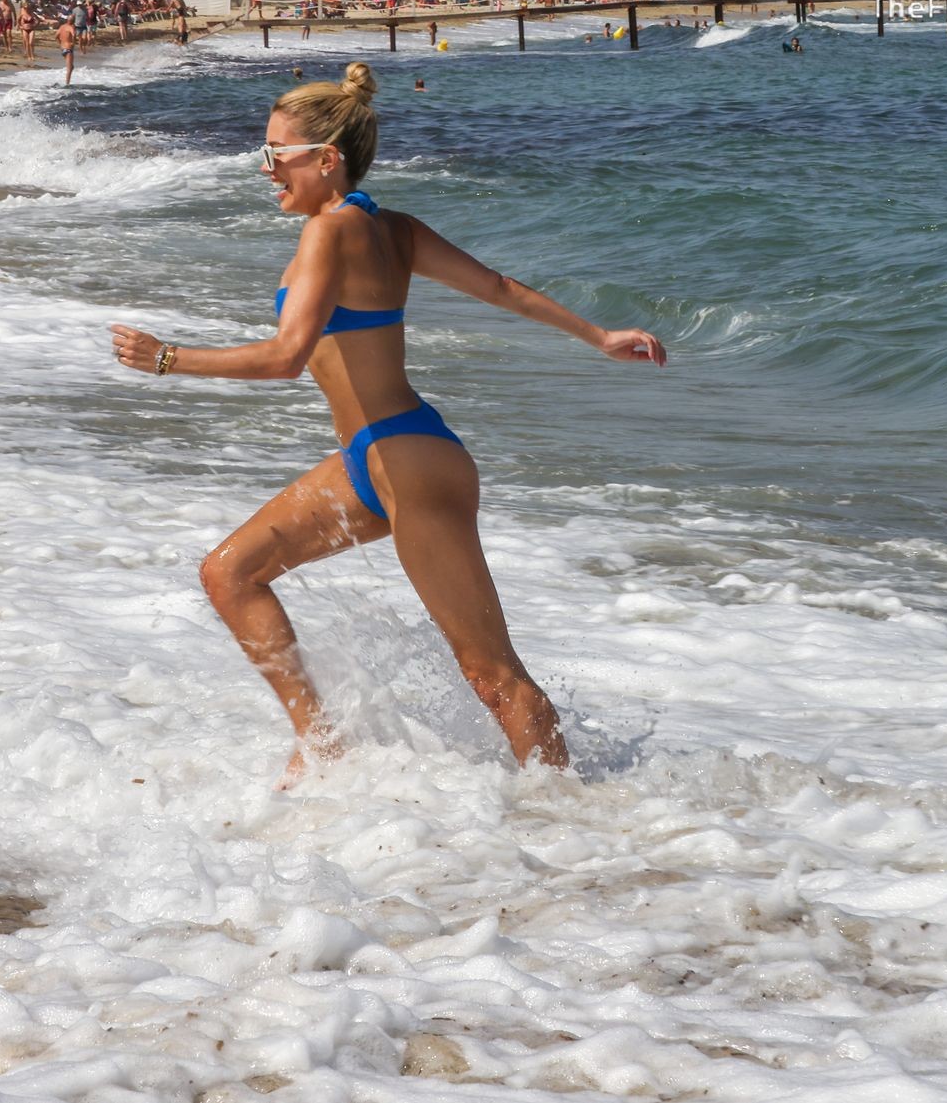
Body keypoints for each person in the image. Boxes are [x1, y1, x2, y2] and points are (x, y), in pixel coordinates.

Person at [107, 63, 666, 784]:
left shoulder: (329, 233)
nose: (265, 168)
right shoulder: (392, 229)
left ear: (325, 159)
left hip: (409, 461)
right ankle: (321, 744)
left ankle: (577, 817)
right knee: (230, 573)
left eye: (275, 153)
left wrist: (168, 359)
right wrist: (597, 335)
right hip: (375, 460)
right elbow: (498, 288)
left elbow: (286, 357)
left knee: (493, 675)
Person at [56, 11, 76, 85]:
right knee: (69, 68)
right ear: (73, 21)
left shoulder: (62, 27)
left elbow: (56, 36)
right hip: (68, 48)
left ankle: (67, 82)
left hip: (63, 48)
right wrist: (73, 43)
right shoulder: (71, 27)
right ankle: (67, 84)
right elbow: (73, 34)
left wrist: (60, 44)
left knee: (71, 67)